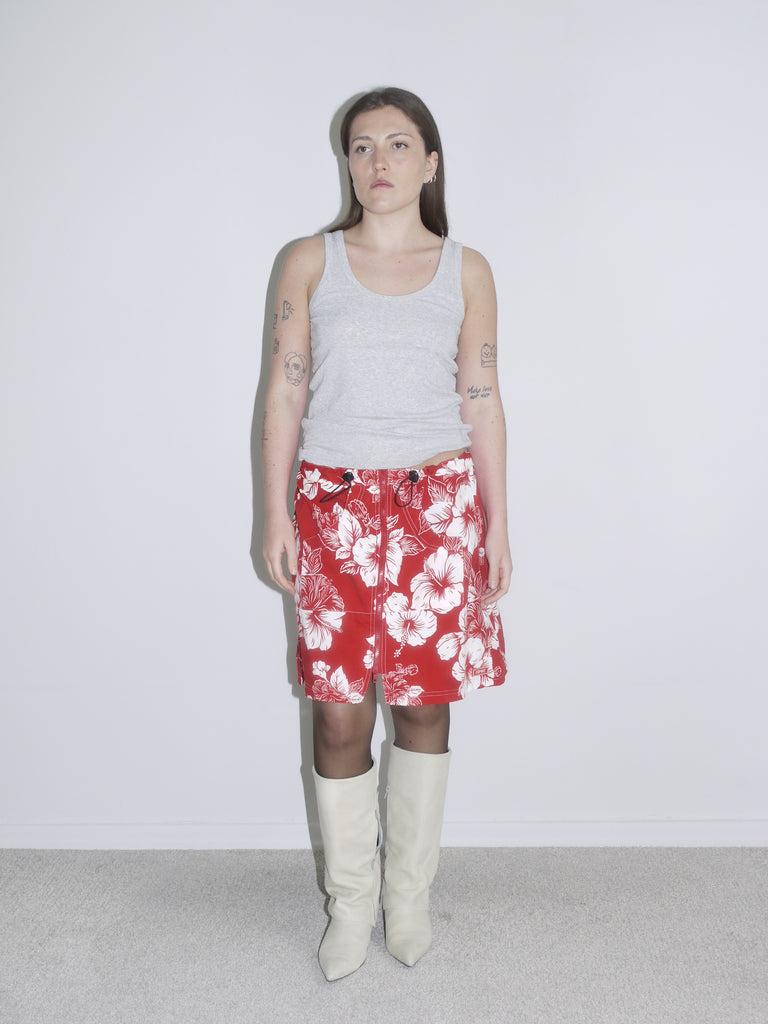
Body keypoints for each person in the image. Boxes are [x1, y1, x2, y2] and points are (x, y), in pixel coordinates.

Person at [261, 87, 511, 981]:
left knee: (421, 705)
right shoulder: (309, 263)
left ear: (430, 163)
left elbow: (481, 399)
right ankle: (350, 905)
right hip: (331, 508)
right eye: (362, 147)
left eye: (398, 146)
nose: (378, 164)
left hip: (436, 511)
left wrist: (498, 526)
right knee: (337, 712)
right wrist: (272, 514)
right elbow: (286, 390)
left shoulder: (467, 270)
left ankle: (407, 901)